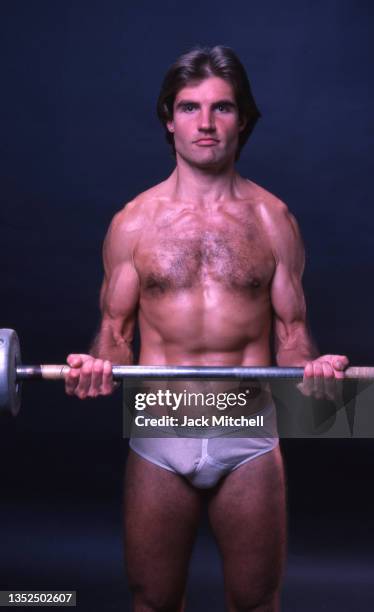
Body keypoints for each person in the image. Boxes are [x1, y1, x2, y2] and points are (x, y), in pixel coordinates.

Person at [65, 46, 349, 611]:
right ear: (168, 118)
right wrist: (96, 364)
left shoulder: (273, 219)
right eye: (190, 108)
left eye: (222, 108)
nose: (205, 123)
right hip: (161, 429)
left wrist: (314, 370)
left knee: (256, 601)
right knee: (153, 599)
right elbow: (114, 333)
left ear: (242, 118)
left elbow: (293, 336)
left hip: (245, 431)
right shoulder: (134, 222)